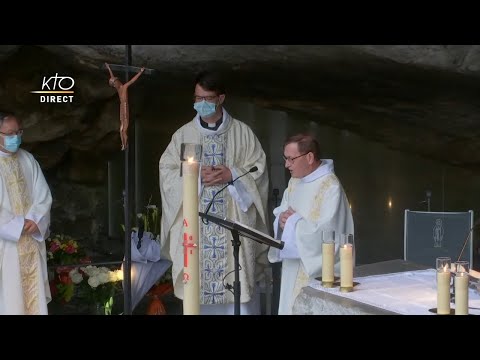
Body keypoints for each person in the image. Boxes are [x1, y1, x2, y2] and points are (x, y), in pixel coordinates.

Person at [159, 69, 270, 315]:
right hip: (195, 229)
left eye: (207, 99)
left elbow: (259, 171)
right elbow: (166, 171)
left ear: (221, 98)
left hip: (233, 229)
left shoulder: (243, 134)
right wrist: (195, 176)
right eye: (197, 98)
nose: (200, 104)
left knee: (237, 297)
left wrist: (232, 175)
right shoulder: (183, 135)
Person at [268, 133, 354, 315]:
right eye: (285, 159)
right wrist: (282, 219)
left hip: (316, 273)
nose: (286, 165)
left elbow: (329, 234)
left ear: (309, 157)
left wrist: (292, 222)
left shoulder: (330, 187)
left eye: (291, 159)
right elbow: (282, 213)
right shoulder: (294, 181)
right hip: (292, 267)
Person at [0, 111, 53, 314]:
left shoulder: (27, 159)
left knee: (34, 301)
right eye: (11, 133)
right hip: (6, 246)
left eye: (19, 132)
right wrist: (16, 224)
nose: (16, 137)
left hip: (30, 241)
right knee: (10, 300)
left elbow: (43, 194)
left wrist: (34, 219)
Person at [105, 62, 145, 151]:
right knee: (122, 130)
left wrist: (140, 72)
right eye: (115, 82)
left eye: (116, 82)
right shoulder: (121, 88)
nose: (116, 82)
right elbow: (114, 78)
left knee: (123, 130)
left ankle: (124, 144)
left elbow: (132, 80)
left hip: (124, 106)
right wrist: (109, 68)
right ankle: (124, 144)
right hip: (122, 107)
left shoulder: (122, 87)